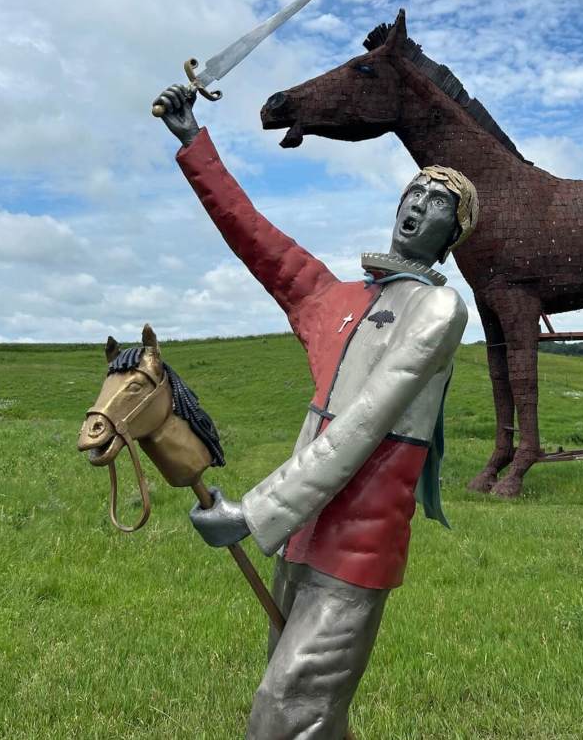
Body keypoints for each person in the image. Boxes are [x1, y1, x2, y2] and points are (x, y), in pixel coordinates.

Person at [154, 83, 475, 739]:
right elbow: (263, 245)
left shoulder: (437, 309)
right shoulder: (339, 299)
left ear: (452, 236)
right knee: (309, 714)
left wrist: (254, 511)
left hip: (354, 549)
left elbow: (363, 426)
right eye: (411, 195)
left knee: (284, 713)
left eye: (436, 202)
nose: (416, 206)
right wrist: (195, 144)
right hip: (301, 540)